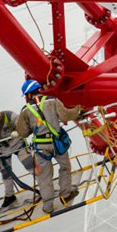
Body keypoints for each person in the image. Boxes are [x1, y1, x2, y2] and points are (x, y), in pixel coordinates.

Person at [15, 80, 84, 213]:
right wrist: (78, 110)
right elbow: (66, 115)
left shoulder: (25, 110)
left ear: (28, 94)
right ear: (38, 90)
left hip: (41, 147)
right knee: (65, 167)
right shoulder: (52, 100)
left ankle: (48, 206)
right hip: (57, 143)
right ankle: (65, 195)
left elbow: (23, 132)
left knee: (44, 176)